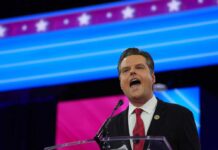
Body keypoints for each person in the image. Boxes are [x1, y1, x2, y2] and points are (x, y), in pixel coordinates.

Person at [107, 48, 200, 150]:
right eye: (126, 70)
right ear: (121, 83)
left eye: (139, 67)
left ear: (153, 77)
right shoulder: (111, 126)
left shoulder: (180, 116)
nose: (132, 72)